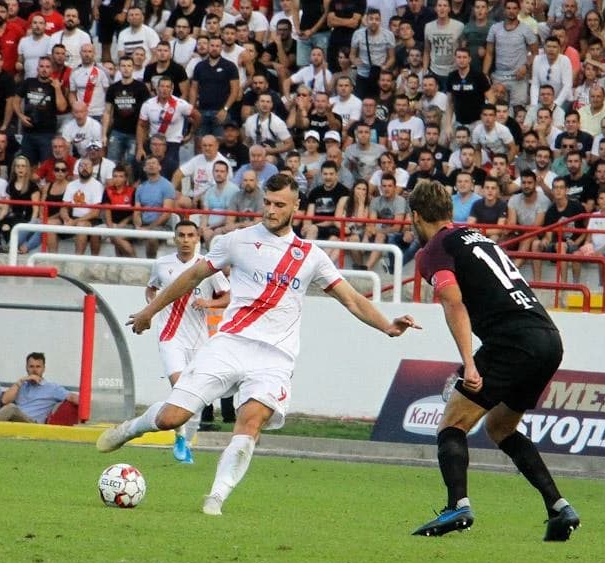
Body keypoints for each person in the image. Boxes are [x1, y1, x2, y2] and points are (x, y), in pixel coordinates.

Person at [97, 173, 418, 515]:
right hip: (229, 343)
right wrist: (149, 310)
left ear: (297, 206)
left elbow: (352, 299)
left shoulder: (310, 255)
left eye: (280, 205)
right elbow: (192, 276)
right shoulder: (237, 241)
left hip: (274, 358)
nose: (271, 210)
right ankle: (133, 428)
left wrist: (387, 325)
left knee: (250, 421)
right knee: (173, 417)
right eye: (267, 203)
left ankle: (216, 497)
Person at [408, 179, 580, 541]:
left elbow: (451, 300)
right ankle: (558, 507)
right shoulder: (477, 235)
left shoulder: (434, 250)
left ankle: (458, 504)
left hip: (512, 341)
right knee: (500, 427)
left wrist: (469, 363)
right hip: (548, 338)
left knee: (452, 423)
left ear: (416, 215)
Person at [145, 220, 230, 463]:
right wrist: (151, 309)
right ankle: (181, 436)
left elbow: (229, 296)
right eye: (181, 235)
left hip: (199, 339)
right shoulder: (162, 265)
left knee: (195, 396)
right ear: (174, 238)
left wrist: (209, 303)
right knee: (180, 387)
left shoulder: (208, 267)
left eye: (190, 235)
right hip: (170, 335)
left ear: (197, 239)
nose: (185, 239)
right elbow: (150, 289)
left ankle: (185, 440)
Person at [0, 351, 78, 422]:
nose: (34, 370)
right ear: (26, 368)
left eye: (38, 367)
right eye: (31, 367)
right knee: (8, 408)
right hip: (16, 420)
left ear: (44, 368)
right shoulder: (21, 385)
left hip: (33, 423)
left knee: (11, 408)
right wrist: (20, 381)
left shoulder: (52, 388)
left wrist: (84, 406)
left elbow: (72, 397)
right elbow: (4, 401)